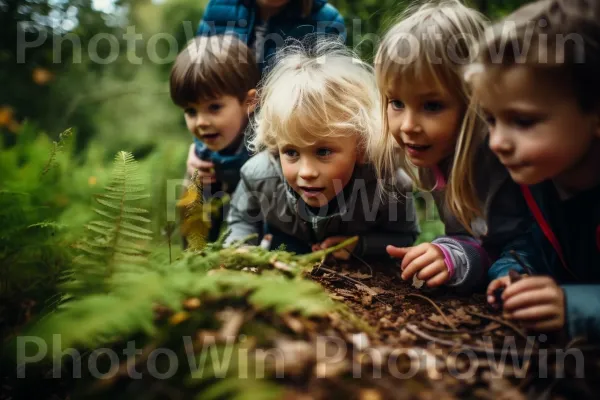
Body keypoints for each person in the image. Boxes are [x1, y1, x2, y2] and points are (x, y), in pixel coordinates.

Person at [368, 0, 532, 292]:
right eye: (396, 103)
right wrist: (451, 254)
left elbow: (522, 243)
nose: (407, 125)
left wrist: (503, 270)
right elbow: (474, 239)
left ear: (474, 101)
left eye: (432, 105)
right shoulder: (437, 154)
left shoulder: (506, 164)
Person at [468, 0, 600, 340]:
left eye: (523, 121)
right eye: (491, 120)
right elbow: (532, 242)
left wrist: (575, 306)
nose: (497, 142)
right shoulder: (546, 181)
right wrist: (514, 273)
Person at [225, 39, 419, 257]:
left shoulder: (388, 185)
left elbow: (404, 236)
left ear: (361, 146)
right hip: (284, 257)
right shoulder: (258, 177)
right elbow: (242, 220)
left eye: (323, 152)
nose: (306, 172)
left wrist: (361, 245)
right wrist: (240, 250)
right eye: (291, 152)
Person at [185, 0, 346, 197]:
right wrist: (200, 150)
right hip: (217, 160)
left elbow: (321, 109)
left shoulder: (325, 20)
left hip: (280, 164)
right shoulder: (219, 8)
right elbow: (200, 86)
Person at [170, 35, 260, 241]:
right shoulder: (203, 153)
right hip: (219, 205)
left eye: (214, 107)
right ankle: (195, 260)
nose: (201, 122)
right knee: (192, 187)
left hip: (261, 229)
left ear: (249, 101)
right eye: (191, 111)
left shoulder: (266, 145)